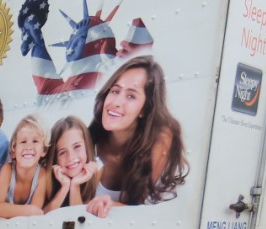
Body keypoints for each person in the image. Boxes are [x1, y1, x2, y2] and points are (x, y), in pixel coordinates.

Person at [86, 55, 188, 217]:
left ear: (145, 109)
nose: (116, 102)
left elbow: (138, 208)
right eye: (115, 91)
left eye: (131, 96)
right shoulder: (87, 141)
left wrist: (111, 205)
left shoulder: (161, 139)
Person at [0, 114, 49, 218]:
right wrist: (30, 210)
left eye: (35, 141)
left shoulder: (42, 175)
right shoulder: (7, 170)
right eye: (23, 141)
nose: (28, 147)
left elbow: (35, 215)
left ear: (43, 150)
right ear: (13, 151)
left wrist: (4, 213)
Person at [44, 115, 101, 212]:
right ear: (55, 159)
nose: (71, 157)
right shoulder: (45, 178)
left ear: (86, 147)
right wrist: (65, 187)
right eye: (62, 152)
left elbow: (79, 217)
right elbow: (41, 217)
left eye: (77, 147)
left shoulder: (97, 175)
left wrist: (75, 186)